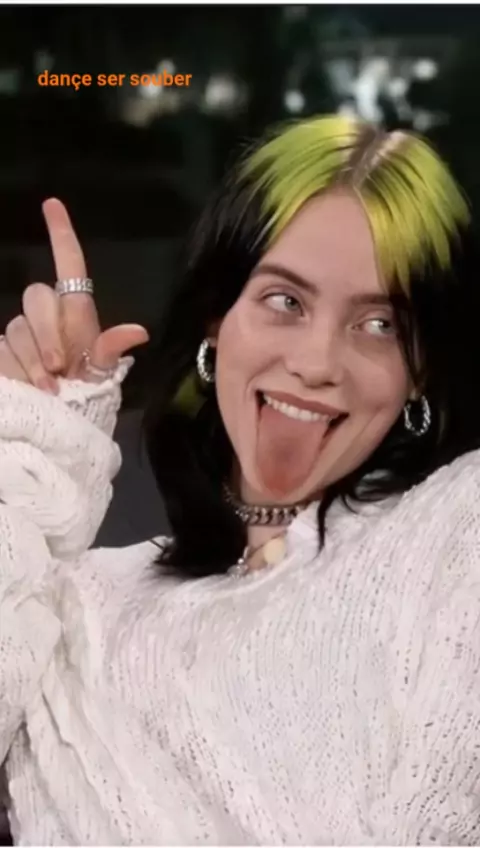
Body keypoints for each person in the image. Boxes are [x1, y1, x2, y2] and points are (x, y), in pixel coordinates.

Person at [1, 114, 480, 846]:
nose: (316, 363)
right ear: (216, 319)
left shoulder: (455, 535)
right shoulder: (91, 605)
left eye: (380, 324)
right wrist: (41, 448)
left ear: (420, 371)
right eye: (285, 301)